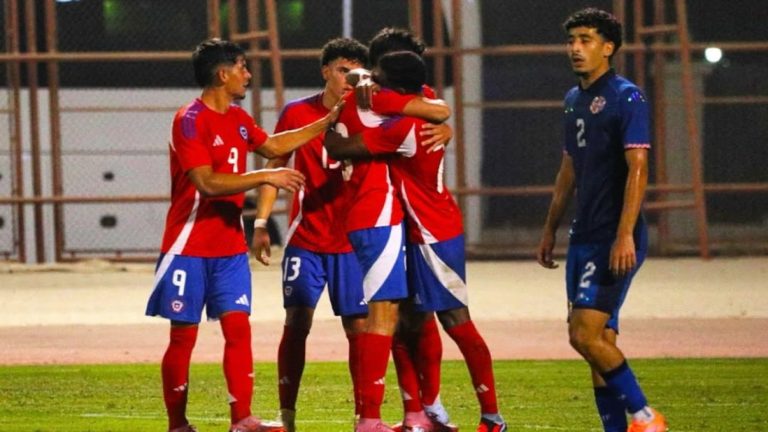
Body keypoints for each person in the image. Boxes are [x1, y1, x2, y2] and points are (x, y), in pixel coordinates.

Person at [145, 38, 341, 432]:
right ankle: (177, 424)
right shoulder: (189, 120)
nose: (248, 75)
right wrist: (266, 175)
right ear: (223, 74)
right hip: (188, 245)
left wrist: (327, 120)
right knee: (183, 337)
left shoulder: (238, 117)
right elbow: (206, 183)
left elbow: (273, 145)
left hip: (229, 247)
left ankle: (242, 419)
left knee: (239, 330)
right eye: (242, 67)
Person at [326, 50, 506, 432]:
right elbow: (433, 106)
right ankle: (422, 414)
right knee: (408, 320)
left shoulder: (404, 127)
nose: (373, 81)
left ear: (397, 88)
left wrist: (330, 127)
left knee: (455, 321)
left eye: (380, 77)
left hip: (435, 234)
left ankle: (492, 416)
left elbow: (342, 147)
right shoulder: (418, 113)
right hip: (411, 230)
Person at [536, 8, 667, 432]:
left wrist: (625, 234)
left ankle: (646, 418)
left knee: (583, 334)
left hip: (612, 235)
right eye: (571, 40)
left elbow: (638, 168)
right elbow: (569, 169)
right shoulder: (573, 100)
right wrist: (550, 228)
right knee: (599, 342)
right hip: (582, 236)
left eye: (586, 39)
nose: (575, 48)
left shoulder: (627, 97)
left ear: (608, 47)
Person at [326, 30, 452, 432]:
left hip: (386, 218)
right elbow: (432, 113)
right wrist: (439, 121)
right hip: (379, 215)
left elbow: (433, 110)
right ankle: (371, 419)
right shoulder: (376, 101)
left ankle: (418, 412)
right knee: (383, 318)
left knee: (407, 316)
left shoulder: (368, 97)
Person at [250, 37, 370, 432]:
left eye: (357, 72)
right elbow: (274, 164)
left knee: (359, 327)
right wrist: (261, 223)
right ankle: (286, 417)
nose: (349, 78)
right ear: (325, 71)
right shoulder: (298, 112)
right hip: (307, 238)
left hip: (354, 241)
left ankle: (365, 418)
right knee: (297, 320)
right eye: (342, 70)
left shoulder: (370, 112)